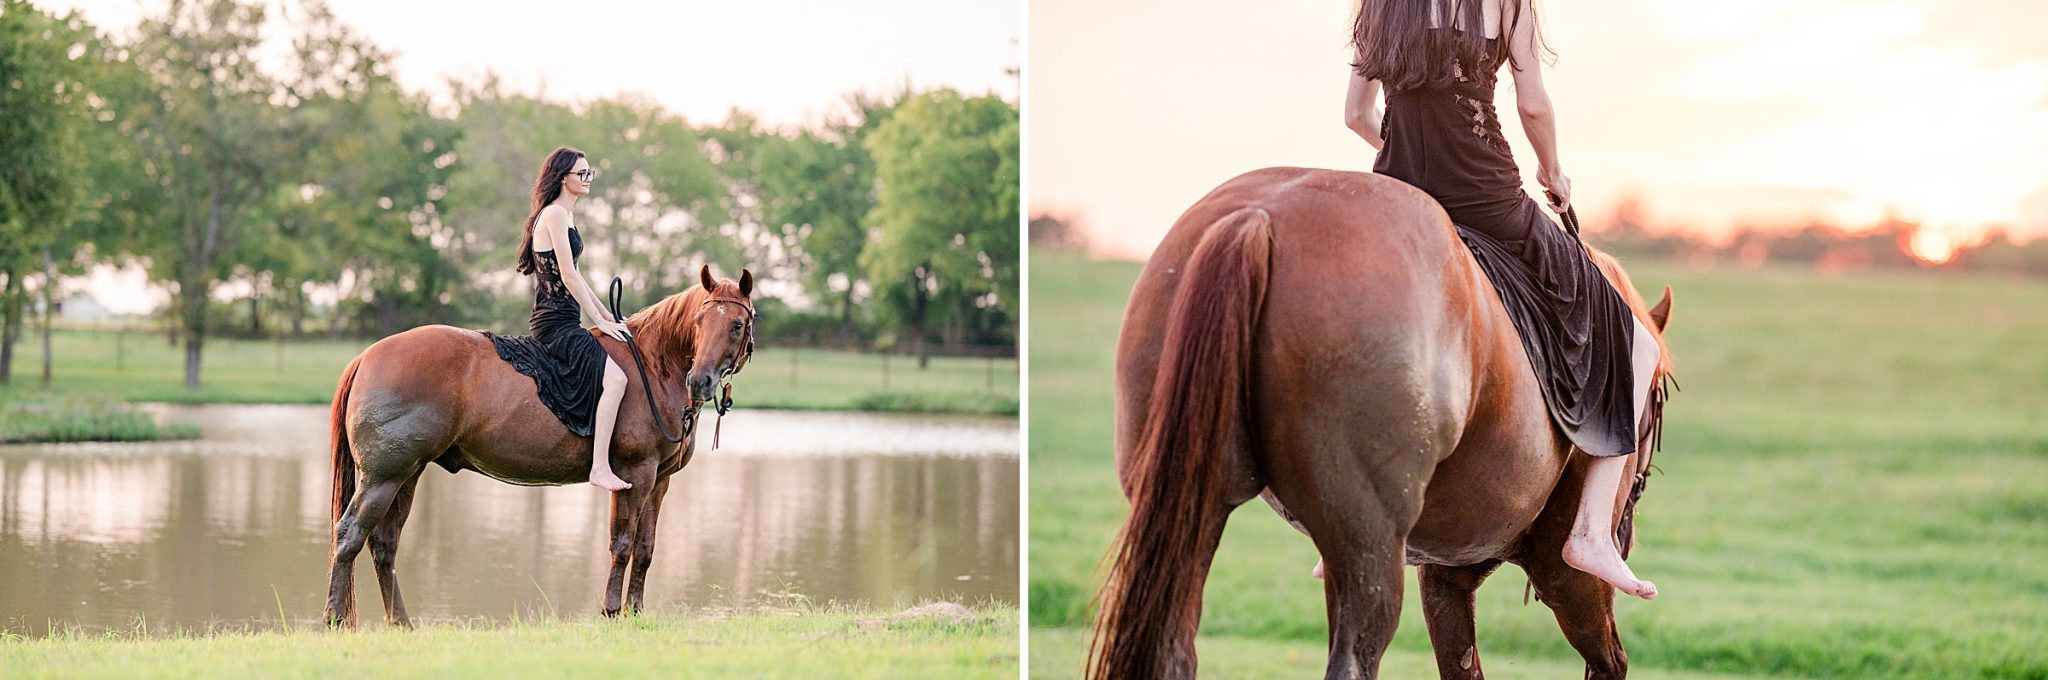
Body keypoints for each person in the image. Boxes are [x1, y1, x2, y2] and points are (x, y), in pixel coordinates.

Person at [1337, 0, 1662, 599]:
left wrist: (1412, 147)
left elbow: (1356, 114)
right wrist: (1554, 172)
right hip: (1486, 195)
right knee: (1639, 343)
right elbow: (1532, 102)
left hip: (1403, 196)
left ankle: (1356, 516)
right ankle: (1591, 531)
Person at [488, 146, 635, 491]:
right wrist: (598, 320)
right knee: (616, 381)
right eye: (581, 173)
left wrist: (605, 318)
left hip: (568, 318)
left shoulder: (565, 216)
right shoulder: (554, 215)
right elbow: (568, 277)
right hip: (556, 323)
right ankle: (599, 467)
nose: (587, 179)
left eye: (589, 173)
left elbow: (578, 278)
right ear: (563, 177)